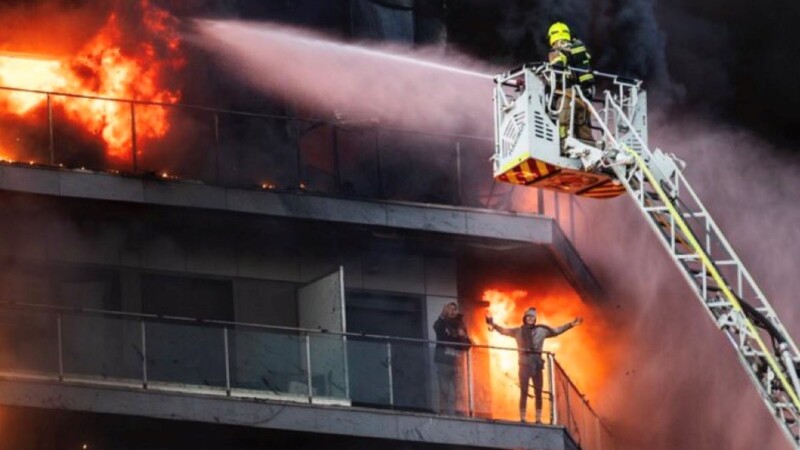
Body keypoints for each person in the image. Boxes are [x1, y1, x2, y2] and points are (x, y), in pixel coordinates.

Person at [486, 307, 582, 423]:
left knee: (538, 392)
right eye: (528, 317)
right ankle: (523, 417)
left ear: (535, 319)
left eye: (532, 317)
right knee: (524, 391)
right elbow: (504, 331)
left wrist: (570, 324)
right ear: (525, 318)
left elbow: (556, 331)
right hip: (524, 364)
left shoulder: (542, 331)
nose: (530, 319)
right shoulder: (518, 331)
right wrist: (493, 325)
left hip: (537, 365)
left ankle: (538, 418)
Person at [547, 21, 595, 143]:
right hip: (583, 95)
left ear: (552, 38)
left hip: (567, 94)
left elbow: (557, 69)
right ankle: (589, 145)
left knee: (564, 122)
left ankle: (563, 141)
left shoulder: (557, 52)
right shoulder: (578, 50)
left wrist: (548, 80)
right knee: (583, 127)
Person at [433, 302, 472, 415]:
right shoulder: (442, 323)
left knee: (459, 391)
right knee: (444, 390)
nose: (452, 311)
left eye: (454, 309)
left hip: (457, 364)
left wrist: (464, 336)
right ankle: (442, 413)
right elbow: (437, 328)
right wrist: (442, 315)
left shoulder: (461, 325)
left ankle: (459, 413)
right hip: (444, 363)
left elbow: (467, 345)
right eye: (450, 309)